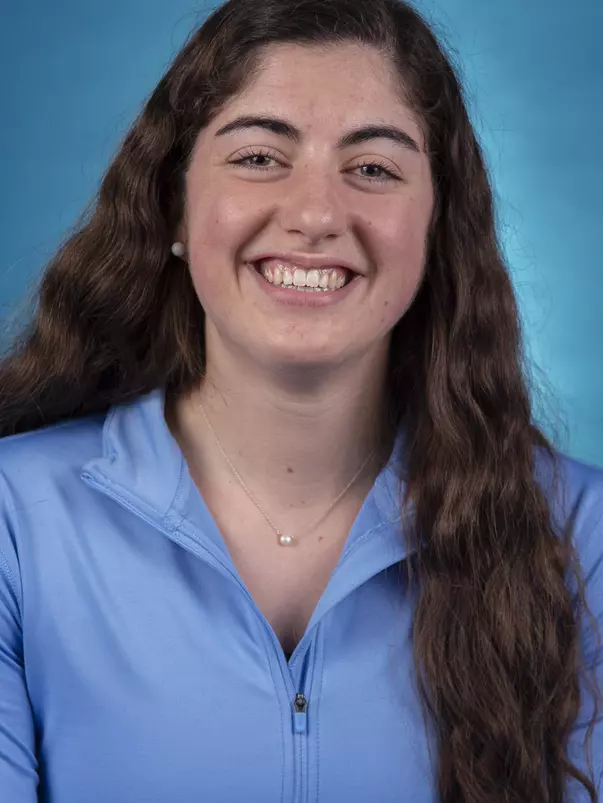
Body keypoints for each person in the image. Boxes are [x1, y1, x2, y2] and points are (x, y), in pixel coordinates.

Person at [0, 0, 601, 800]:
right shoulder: (13, 518)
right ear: (173, 204)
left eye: (373, 169)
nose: (315, 213)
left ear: (435, 228)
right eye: (257, 157)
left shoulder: (580, 534)